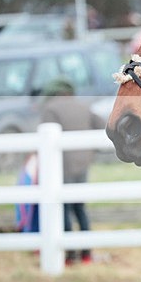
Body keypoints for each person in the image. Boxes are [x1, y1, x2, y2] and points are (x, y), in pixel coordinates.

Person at [40, 78, 104, 265]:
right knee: (80, 208)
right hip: (82, 165)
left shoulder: (50, 109)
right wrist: (90, 152)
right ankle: (86, 253)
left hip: (60, 167)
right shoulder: (83, 106)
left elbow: (44, 138)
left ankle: (70, 254)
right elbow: (102, 127)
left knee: (63, 208)